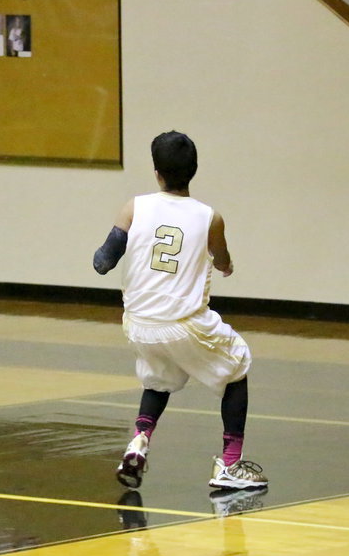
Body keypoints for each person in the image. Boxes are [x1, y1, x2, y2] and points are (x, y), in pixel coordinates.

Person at [93, 131, 268, 493]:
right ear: (194, 170)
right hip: (184, 323)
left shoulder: (134, 206)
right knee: (237, 365)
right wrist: (226, 265)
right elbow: (222, 259)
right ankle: (230, 465)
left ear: (156, 172)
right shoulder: (209, 217)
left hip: (138, 323)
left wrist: (107, 254)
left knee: (160, 376)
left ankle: (139, 440)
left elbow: (103, 261)